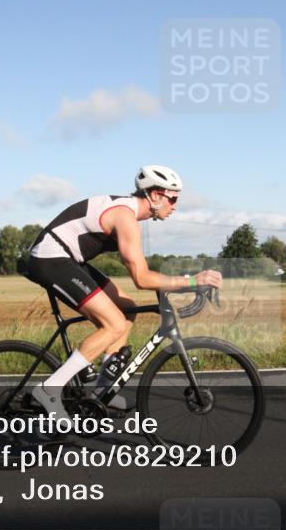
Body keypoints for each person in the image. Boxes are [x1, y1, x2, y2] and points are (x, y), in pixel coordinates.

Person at [24, 165, 222, 420]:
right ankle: (49, 390)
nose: (175, 205)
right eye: (172, 198)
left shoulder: (129, 214)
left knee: (126, 309)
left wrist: (179, 283)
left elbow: (143, 272)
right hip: (51, 258)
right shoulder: (125, 217)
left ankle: (102, 390)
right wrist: (192, 282)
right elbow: (141, 278)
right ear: (154, 196)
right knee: (114, 324)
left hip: (70, 259)